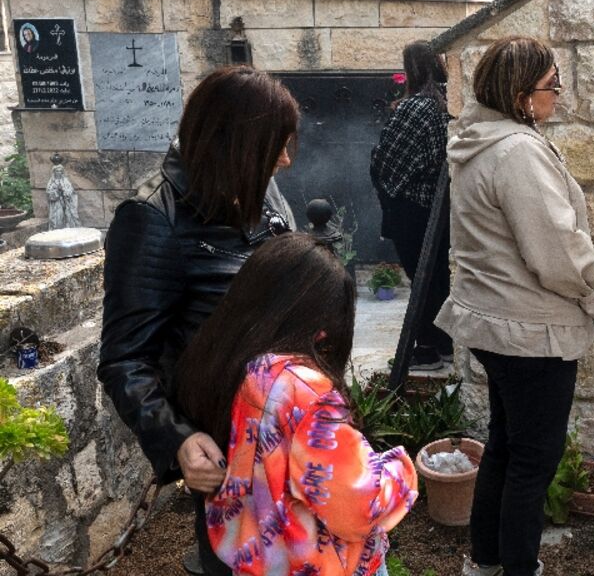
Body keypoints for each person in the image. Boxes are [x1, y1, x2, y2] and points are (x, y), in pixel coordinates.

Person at [98, 66, 299, 576]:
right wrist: (178, 438)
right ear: (235, 145)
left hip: (288, 425)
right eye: (274, 146)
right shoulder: (151, 218)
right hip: (225, 442)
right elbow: (126, 359)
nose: (285, 160)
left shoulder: (257, 185)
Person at [435, 36, 594, 576]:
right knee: (532, 461)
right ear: (521, 96)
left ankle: (486, 564)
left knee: (505, 446)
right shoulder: (517, 151)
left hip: (497, 325)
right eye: (551, 85)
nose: (558, 94)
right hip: (530, 331)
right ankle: (516, 568)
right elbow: (555, 251)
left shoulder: (481, 142)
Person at [174, 233, 417, 576]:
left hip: (258, 560)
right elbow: (357, 505)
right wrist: (401, 471)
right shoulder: (307, 393)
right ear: (321, 327)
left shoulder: (225, 364)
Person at [370, 41, 454, 372]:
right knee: (439, 278)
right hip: (441, 206)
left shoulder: (415, 108)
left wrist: (377, 165)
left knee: (421, 277)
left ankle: (427, 350)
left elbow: (388, 162)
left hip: (412, 206)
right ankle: (445, 344)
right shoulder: (447, 103)